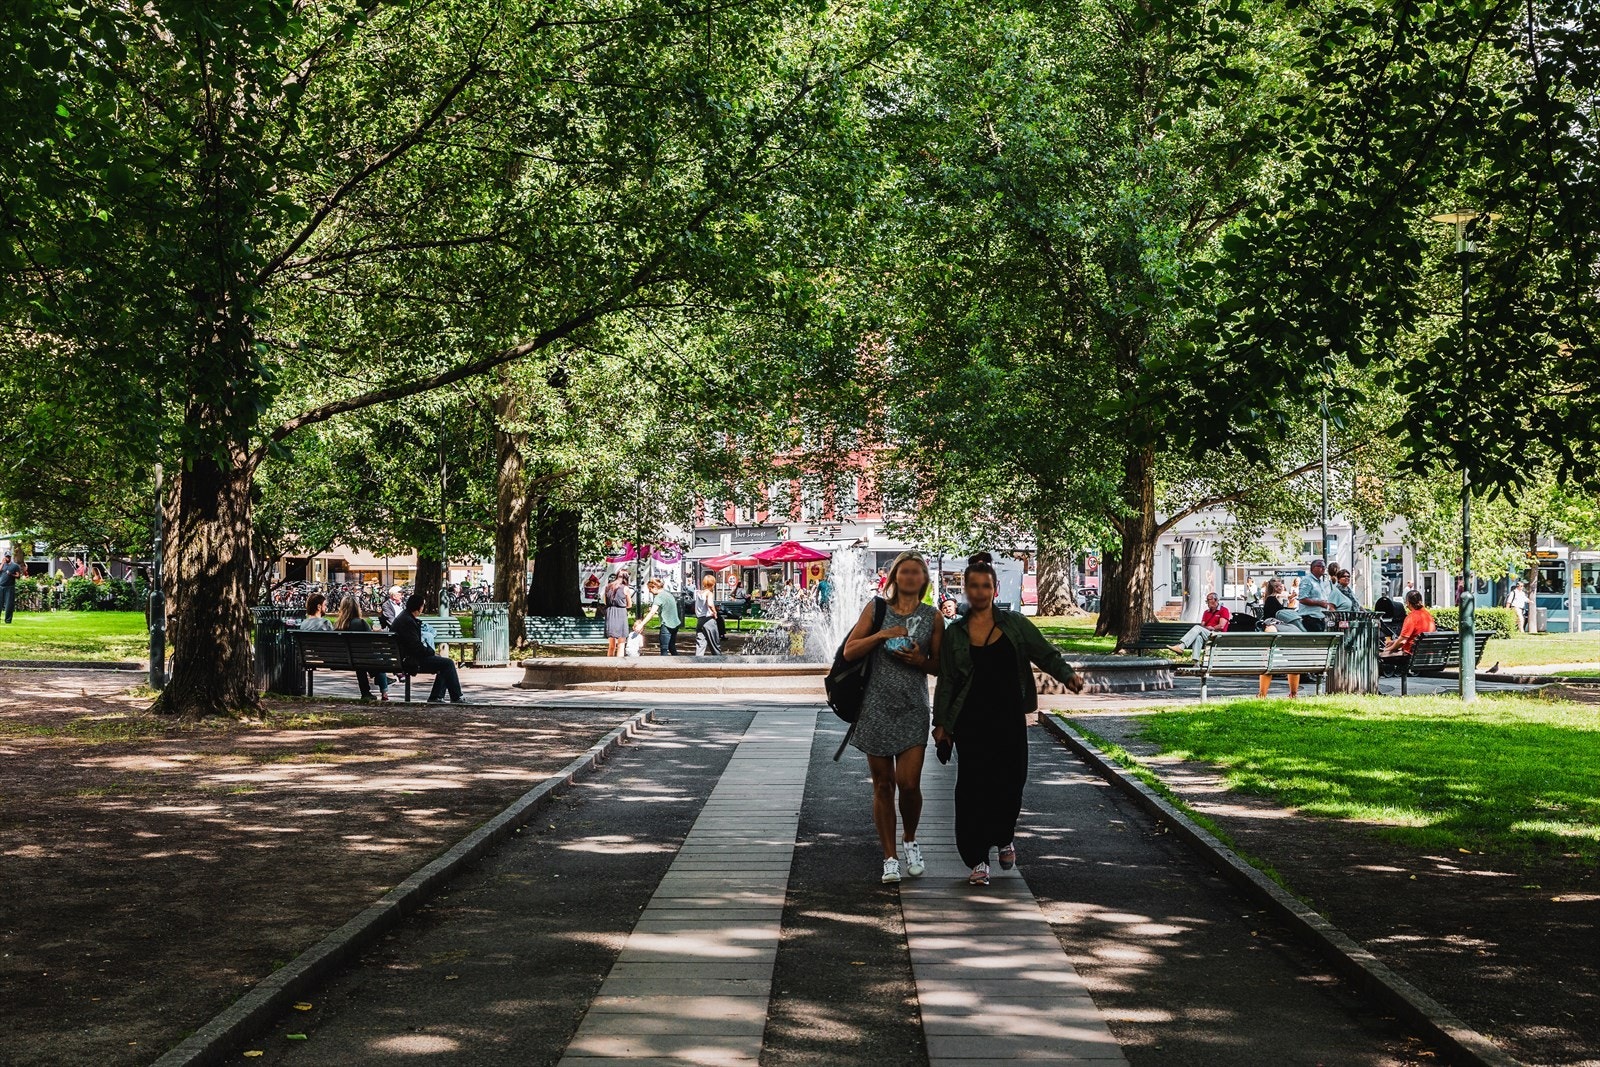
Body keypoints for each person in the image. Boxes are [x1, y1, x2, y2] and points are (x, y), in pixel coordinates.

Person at [933, 552, 1085, 888]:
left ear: (994, 588)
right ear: (966, 589)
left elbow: (1044, 652)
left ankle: (1004, 836)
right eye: (973, 586)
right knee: (972, 788)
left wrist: (1066, 675)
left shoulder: (1014, 624)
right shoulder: (956, 633)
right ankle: (976, 859)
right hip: (971, 721)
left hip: (1008, 717)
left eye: (985, 585)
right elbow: (946, 680)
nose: (979, 591)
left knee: (1011, 781)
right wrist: (940, 724)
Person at [842, 552, 942, 884]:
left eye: (917, 572)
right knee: (883, 785)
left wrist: (919, 660)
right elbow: (849, 651)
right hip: (876, 707)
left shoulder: (933, 617)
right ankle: (889, 857)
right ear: (895, 577)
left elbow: (940, 667)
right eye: (905, 571)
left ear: (924, 580)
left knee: (909, 784)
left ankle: (910, 840)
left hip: (913, 706)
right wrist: (881, 635)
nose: (911, 577)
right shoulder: (876, 609)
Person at [390, 593, 466, 703]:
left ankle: (437, 696)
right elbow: (415, 647)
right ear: (420, 607)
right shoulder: (408, 621)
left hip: (405, 657)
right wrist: (430, 651)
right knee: (448, 663)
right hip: (410, 660)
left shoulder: (404, 617)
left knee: (443, 663)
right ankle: (456, 697)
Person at [334, 595, 390, 701]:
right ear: (357, 608)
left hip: (344, 659)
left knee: (359, 660)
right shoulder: (361, 623)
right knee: (375, 656)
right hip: (363, 658)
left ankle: (366, 692)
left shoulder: (338, 625)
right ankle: (382, 684)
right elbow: (372, 642)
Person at [1381, 590, 1436, 659]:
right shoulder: (1427, 615)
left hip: (1412, 657)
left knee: (1381, 656)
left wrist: (1389, 649)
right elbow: (1412, 637)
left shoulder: (1411, 617)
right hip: (1427, 656)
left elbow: (1402, 642)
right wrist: (1394, 642)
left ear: (1408, 603)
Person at [635, 578, 683, 656]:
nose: (650, 591)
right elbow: (667, 607)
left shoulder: (659, 597)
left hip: (666, 625)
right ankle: (680, 665)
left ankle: (664, 666)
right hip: (675, 624)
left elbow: (652, 613)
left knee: (664, 649)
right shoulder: (668, 593)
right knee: (672, 647)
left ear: (655, 587)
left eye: (650, 589)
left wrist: (641, 624)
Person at [1295, 558, 1337, 631]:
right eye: (1320, 566)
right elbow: (1302, 599)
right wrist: (1319, 603)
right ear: (1313, 568)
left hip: (1320, 617)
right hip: (1310, 618)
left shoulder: (1320, 581)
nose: (1323, 568)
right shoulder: (1307, 580)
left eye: (1324, 566)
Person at [603, 573, 632, 657]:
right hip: (621, 613)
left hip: (610, 613)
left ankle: (609, 665)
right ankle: (619, 666)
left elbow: (605, 602)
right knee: (621, 644)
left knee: (611, 645)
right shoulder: (625, 588)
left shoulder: (608, 587)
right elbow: (630, 604)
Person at [694, 575, 722, 655]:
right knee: (714, 643)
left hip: (700, 620)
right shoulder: (709, 593)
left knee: (700, 643)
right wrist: (714, 612)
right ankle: (719, 661)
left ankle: (697, 661)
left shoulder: (699, 593)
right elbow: (710, 603)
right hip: (708, 620)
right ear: (713, 584)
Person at [0, 552, 21, 624]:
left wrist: (11, 574)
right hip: (1, 586)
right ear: (4, 557)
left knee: (9, 604)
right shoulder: (2, 565)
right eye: (6, 557)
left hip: (9, 587)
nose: (7, 558)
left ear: (10, 557)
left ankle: (8, 620)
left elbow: (18, 576)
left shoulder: (15, 566)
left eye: (9, 557)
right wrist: (2, 564)